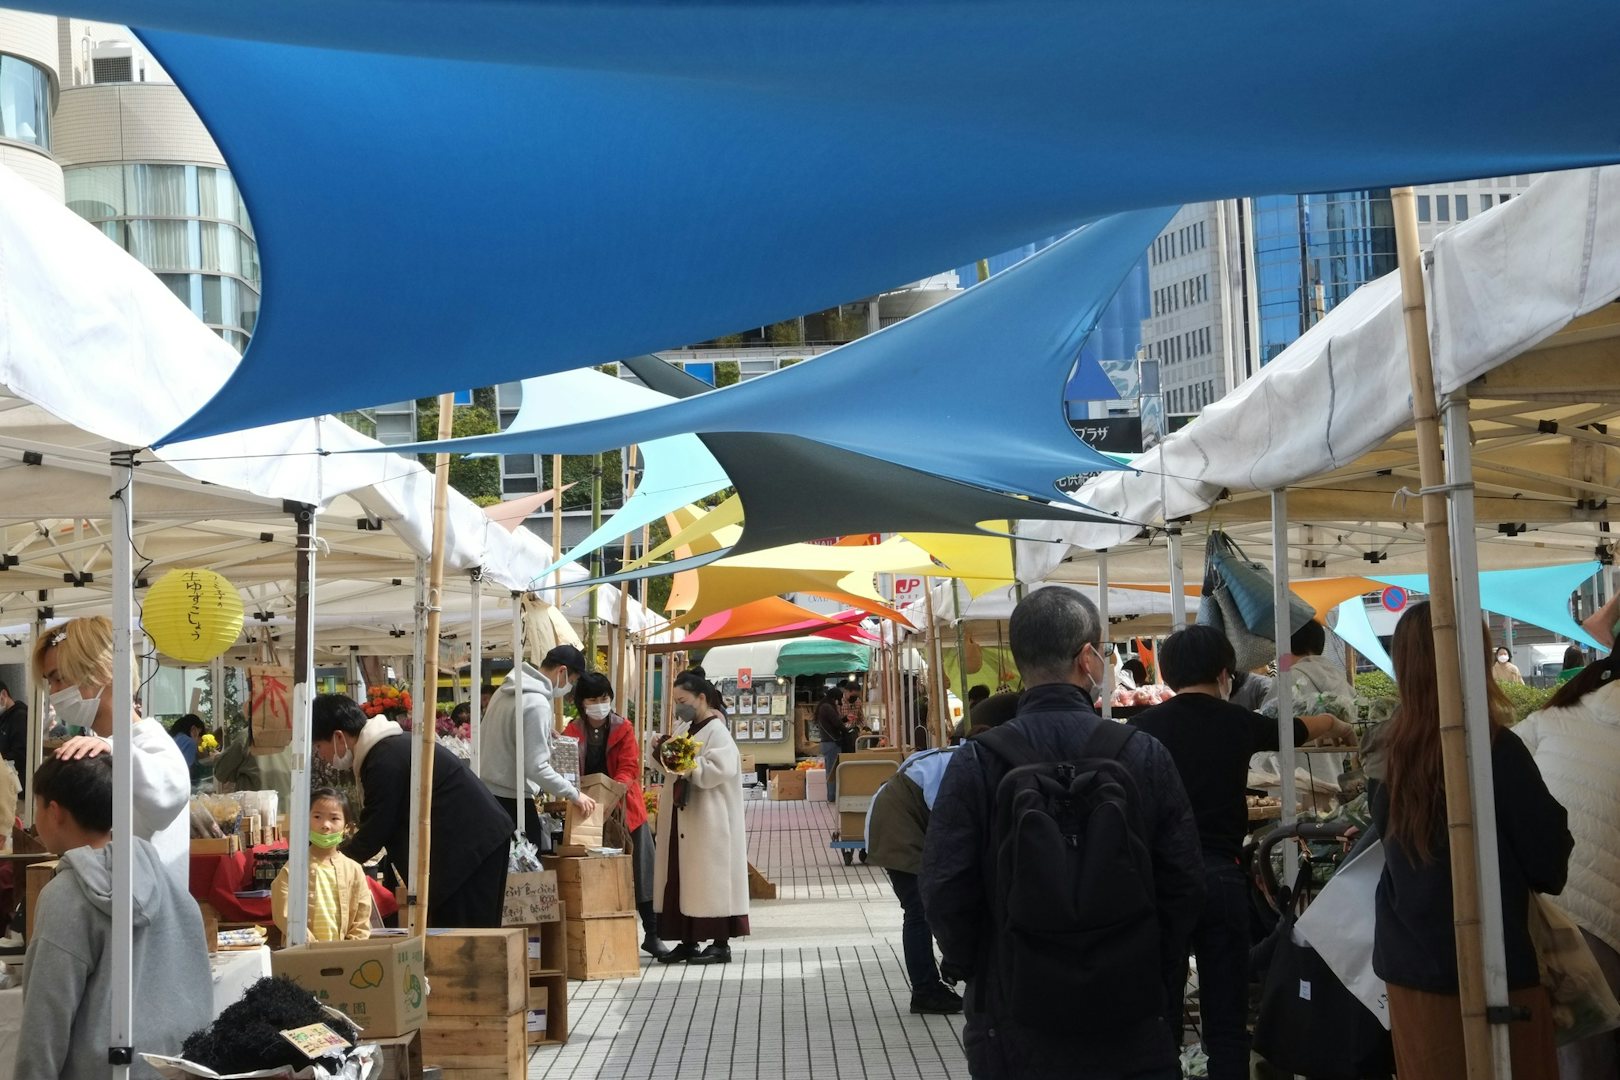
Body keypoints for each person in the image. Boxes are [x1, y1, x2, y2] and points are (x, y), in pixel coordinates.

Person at [921, 586, 1204, 1079]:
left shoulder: (978, 761)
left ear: (1019, 659)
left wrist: (983, 967)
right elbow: (1183, 879)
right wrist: (1152, 962)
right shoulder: (1142, 752)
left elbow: (944, 884)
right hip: (1129, 1008)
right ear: (1088, 658)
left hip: (1014, 1009)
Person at [1130, 625, 1353, 1080]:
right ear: (1224, 672)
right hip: (1222, 876)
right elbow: (1297, 729)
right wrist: (1335, 723)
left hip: (1163, 882)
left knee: (1163, 1012)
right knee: (1227, 1019)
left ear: (1168, 675)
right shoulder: (1237, 721)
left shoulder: (1140, 730)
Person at [1373, 602, 1572, 1079]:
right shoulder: (1496, 751)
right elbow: (1549, 866)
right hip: (1497, 973)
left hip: (1412, 973)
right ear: (1477, 661)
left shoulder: (1387, 758)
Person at [18, 754, 210, 1080]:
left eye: (36, 807)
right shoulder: (163, 878)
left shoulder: (66, 894)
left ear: (54, 812)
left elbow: (45, 1019)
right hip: (178, 1067)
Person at [868, 691, 1017, 1016]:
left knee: (931, 904)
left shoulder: (968, 758)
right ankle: (925, 990)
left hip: (905, 815)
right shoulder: (965, 763)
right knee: (919, 907)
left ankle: (940, 979)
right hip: (898, 822)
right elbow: (949, 821)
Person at [312, 693, 512, 927]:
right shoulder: (387, 748)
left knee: (464, 938)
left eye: (319, 746)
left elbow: (376, 828)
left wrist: (329, 863)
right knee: (467, 934)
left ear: (338, 737)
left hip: (470, 851)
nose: (321, 756)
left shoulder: (383, 758)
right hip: (474, 845)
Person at [1511, 653, 1620, 1077]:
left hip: (1543, 907)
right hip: (1601, 913)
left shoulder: (1555, 713)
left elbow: (1487, 766)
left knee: (1572, 1053)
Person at [33, 617, 190, 893]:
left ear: (105, 671)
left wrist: (114, 751)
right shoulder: (105, 745)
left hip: (146, 923)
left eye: (60, 678)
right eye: (50, 682)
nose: (55, 693)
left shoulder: (149, 744)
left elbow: (173, 791)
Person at [562, 672, 666, 959]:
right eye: (594, 699)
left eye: (604, 698)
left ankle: (653, 933)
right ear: (582, 703)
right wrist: (586, 799)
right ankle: (598, 936)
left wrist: (610, 795)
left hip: (625, 806)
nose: (600, 704)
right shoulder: (572, 730)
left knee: (643, 868)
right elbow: (569, 770)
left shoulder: (624, 727)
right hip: (584, 807)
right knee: (593, 873)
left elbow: (629, 767)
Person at [650, 670, 748, 965]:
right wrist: (659, 749)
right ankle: (687, 939)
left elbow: (716, 771)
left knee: (711, 879)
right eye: (676, 701)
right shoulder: (685, 728)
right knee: (684, 878)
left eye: (683, 700)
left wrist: (679, 757)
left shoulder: (718, 731)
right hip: (684, 818)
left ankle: (720, 943)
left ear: (701, 698)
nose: (679, 707)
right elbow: (669, 765)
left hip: (710, 820)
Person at [477, 645, 596, 850]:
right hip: (512, 800)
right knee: (530, 870)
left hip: (487, 794)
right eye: (572, 680)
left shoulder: (505, 690)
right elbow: (537, 767)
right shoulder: (537, 703)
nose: (569, 686)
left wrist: (543, 734)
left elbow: (506, 733)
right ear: (562, 671)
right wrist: (575, 794)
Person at [271, 787, 372, 942]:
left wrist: (348, 950)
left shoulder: (354, 870)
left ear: (347, 828)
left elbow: (362, 920)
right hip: (304, 956)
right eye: (317, 816)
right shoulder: (294, 868)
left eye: (334, 819)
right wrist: (313, 948)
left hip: (344, 958)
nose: (325, 825)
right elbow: (284, 914)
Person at [813, 686, 850, 803]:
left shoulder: (824, 706)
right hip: (831, 743)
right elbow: (836, 723)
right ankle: (832, 796)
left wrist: (844, 719)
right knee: (833, 771)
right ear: (834, 697)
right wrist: (846, 730)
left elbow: (833, 722)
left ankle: (832, 795)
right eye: (838, 699)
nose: (838, 702)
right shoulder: (827, 707)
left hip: (827, 743)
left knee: (830, 770)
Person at [0, 681, 28, 793]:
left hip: (17, 786)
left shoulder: (20, 717)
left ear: (3, 695)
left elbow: (20, 755)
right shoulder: (4, 719)